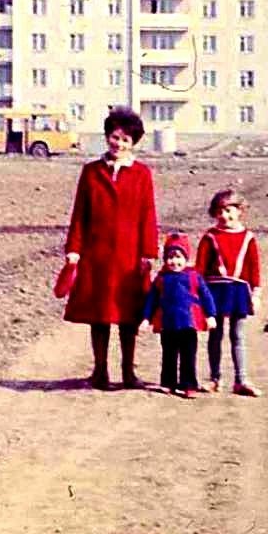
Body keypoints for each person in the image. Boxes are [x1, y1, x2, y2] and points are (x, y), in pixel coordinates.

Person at [60, 107, 159, 390]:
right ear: (107, 137)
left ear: (133, 142)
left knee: (129, 316)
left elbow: (148, 214)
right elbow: (80, 214)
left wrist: (149, 252)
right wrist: (74, 249)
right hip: (97, 255)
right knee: (99, 315)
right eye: (115, 137)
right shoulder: (91, 172)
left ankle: (128, 373)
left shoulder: (142, 173)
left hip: (130, 256)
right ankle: (100, 372)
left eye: (126, 139)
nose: (119, 144)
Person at [197, 188, 264, 397]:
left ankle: (241, 380)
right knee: (215, 335)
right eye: (219, 212)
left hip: (239, 291)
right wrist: (199, 296)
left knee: (238, 335)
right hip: (214, 291)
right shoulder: (210, 237)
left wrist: (256, 294)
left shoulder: (248, 237)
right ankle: (214, 378)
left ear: (240, 210)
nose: (224, 216)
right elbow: (199, 269)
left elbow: (254, 268)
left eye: (228, 210)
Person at [143, 233, 216, 398]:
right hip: (168, 324)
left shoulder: (194, 276)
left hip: (188, 324)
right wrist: (146, 318)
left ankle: (188, 384)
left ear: (186, 259)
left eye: (178, 257)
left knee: (188, 356)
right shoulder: (161, 278)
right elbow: (152, 299)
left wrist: (210, 315)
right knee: (168, 355)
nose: (174, 261)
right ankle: (168, 383)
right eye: (170, 257)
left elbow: (206, 296)